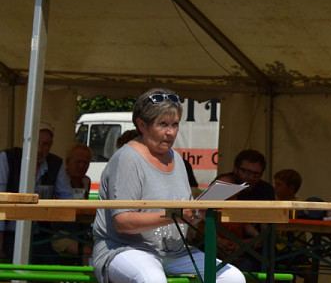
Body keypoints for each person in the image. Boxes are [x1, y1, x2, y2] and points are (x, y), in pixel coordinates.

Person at [90, 88, 244, 283]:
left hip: (175, 252)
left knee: (233, 278)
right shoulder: (127, 158)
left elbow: (183, 215)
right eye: (163, 124)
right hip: (124, 249)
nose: (170, 132)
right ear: (142, 125)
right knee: (152, 279)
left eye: (175, 124)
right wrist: (176, 215)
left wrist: (197, 213)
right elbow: (123, 221)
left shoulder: (177, 159)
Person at [0, 124, 68, 260]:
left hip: (41, 233)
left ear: (51, 146)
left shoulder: (55, 163)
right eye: (37, 142)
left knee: (52, 265)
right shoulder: (7, 158)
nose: (40, 149)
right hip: (9, 233)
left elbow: (68, 197)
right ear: (26, 142)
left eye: (46, 144)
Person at [50, 144, 95, 262]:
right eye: (78, 162)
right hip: (59, 234)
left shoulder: (86, 181)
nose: (81, 166)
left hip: (81, 233)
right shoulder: (59, 181)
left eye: (85, 163)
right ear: (67, 162)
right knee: (88, 251)